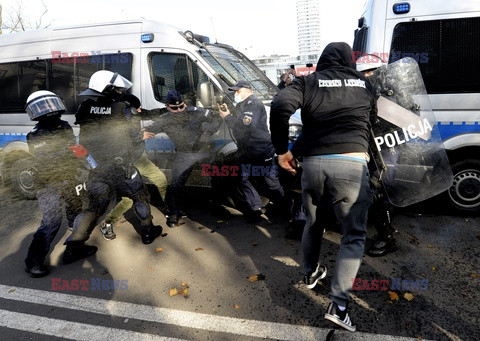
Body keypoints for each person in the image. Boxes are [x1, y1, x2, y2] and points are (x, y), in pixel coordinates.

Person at [270, 42, 376, 332]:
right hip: (351, 167)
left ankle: (310, 273)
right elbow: (371, 123)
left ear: (322, 61)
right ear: (348, 62)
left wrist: (284, 150)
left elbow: (280, 105)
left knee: (313, 223)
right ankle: (338, 306)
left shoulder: (308, 81)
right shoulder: (364, 85)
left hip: (314, 165)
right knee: (353, 234)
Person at [63, 70, 162, 264]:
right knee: (139, 196)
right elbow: (134, 137)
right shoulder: (122, 108)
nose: (119, 91)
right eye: (116, 88)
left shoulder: (85, 107)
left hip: (97, 168)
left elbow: (84, 140)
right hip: (122, 167)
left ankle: (73, 247)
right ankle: (148, 233)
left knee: (94, 208)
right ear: (108, 89)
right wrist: (140, 137)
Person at [24, 91, 83, 277]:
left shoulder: (65, 126)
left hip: (69, 178)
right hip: (49, 183)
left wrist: (91, 164)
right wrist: (68, 153)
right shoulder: (35, 135)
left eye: (51, 104)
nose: (50, 110)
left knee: (77, 213)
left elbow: (74, 149)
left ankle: (75, 249)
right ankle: (32, 262)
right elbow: (47, 159)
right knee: (51, 221)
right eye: (43, 107)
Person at [143, 90, 222, 227]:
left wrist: (209, 130)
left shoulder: (196, 112)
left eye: (181, 106)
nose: (179, 110)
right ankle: (174, 213)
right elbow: (147, 131)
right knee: (176, 184)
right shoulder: (164, 119)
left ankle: (217, 207)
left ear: (184, 104)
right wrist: (140, 135)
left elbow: (217, 118)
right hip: (184, 154)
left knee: (218, 176)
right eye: (175, 108)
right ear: (168, 107)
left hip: (204, 151)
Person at [99, 93, 168, 240]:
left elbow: (149, 112)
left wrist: (168, 108)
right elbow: (117, 140)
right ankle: (108, 223)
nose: (140, 111)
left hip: (139, 159)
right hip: (125, 163)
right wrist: (138, 136)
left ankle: (169, 209)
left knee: (161, 180)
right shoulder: (116, 121)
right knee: (128, 200)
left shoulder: (134, 114)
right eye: (136, 109)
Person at [218, 80, 286, 223]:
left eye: (238, 91)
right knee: (243, 177)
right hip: (249, 149)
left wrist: (227, 117)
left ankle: (284, 208)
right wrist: (228, 111)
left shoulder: (253, 103)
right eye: (235, 91)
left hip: (259, 149)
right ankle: (258, 207)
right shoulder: (243, 105)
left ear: (248, 90)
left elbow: (246, 124)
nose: (236, 93)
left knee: (269, 181)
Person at [356, 55, 398, 257]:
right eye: (364, 72)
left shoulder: (391, 93)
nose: (368, 75)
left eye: (371, 71)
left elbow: (404, 121)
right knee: (374, 191)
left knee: (380, 191)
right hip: (371, 149)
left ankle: (388, 238)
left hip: (387, 148)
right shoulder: (363, 93)